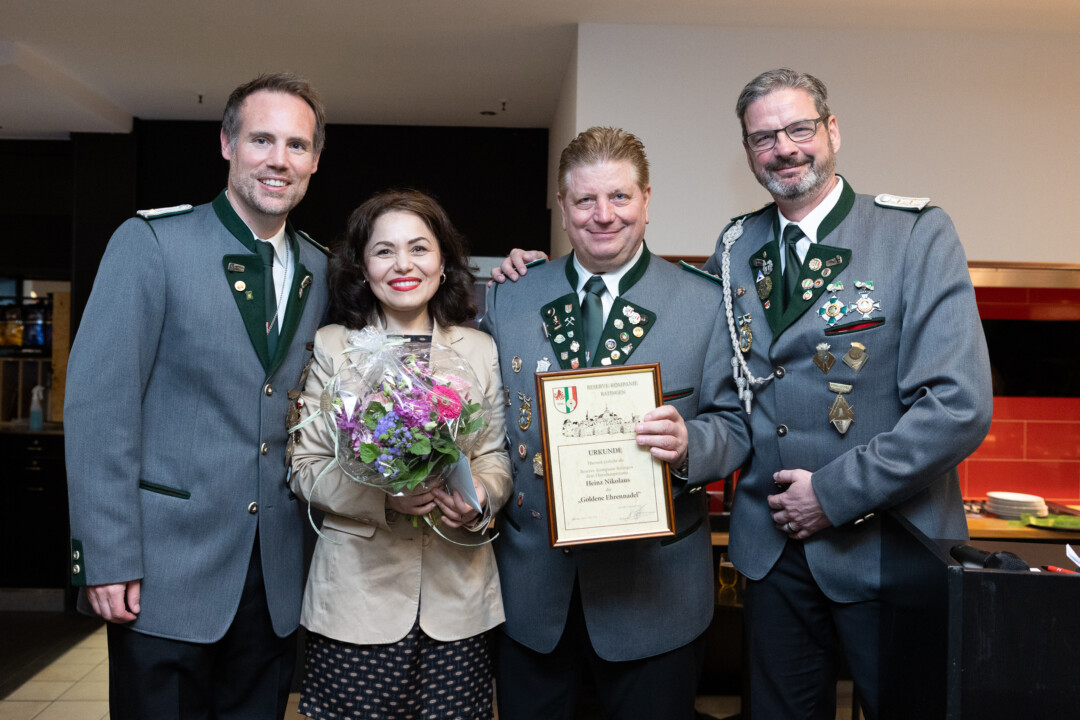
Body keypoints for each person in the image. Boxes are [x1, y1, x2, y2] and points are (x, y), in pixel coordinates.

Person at [696, 68, 993, 719]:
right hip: (770, 556)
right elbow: (721, 390)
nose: (784, 148)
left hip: (888, 548)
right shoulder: (734, 247)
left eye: (799, 128)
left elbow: (958, 406)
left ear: (832, 130)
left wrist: (830, 496)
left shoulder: (914, 234)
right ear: (748, 152)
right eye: (764, 137)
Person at [65, 73, 329, 719]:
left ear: (315, 161)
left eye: (296, 145)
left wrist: (517, 276)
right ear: (227, 144)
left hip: (275, 576)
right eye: (261, 139)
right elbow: (101, 410)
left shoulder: (324, 268)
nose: (278, 159)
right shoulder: (153, 244)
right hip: (162, 568)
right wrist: (105, 559)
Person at [482, 127, 749, 720]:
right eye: (585, 200)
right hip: (532, 600)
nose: (603, 216)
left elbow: (735, 425)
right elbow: (486, 426)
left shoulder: (706, 302)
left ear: (647, 200)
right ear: (562, 206)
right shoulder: (511, 297)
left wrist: (688, 444)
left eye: (620, 198)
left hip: (656, 599)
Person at [289, 189, 512, 720]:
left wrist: (482, 495)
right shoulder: (333, 346)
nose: (403, 264)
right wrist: (383, 500)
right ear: (362, 268)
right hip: (355, 602)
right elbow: (305, 468)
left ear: (444, 262)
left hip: (458, 601)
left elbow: (496, 456)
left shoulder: (478, 349)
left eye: (419, 248)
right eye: (384, 251)